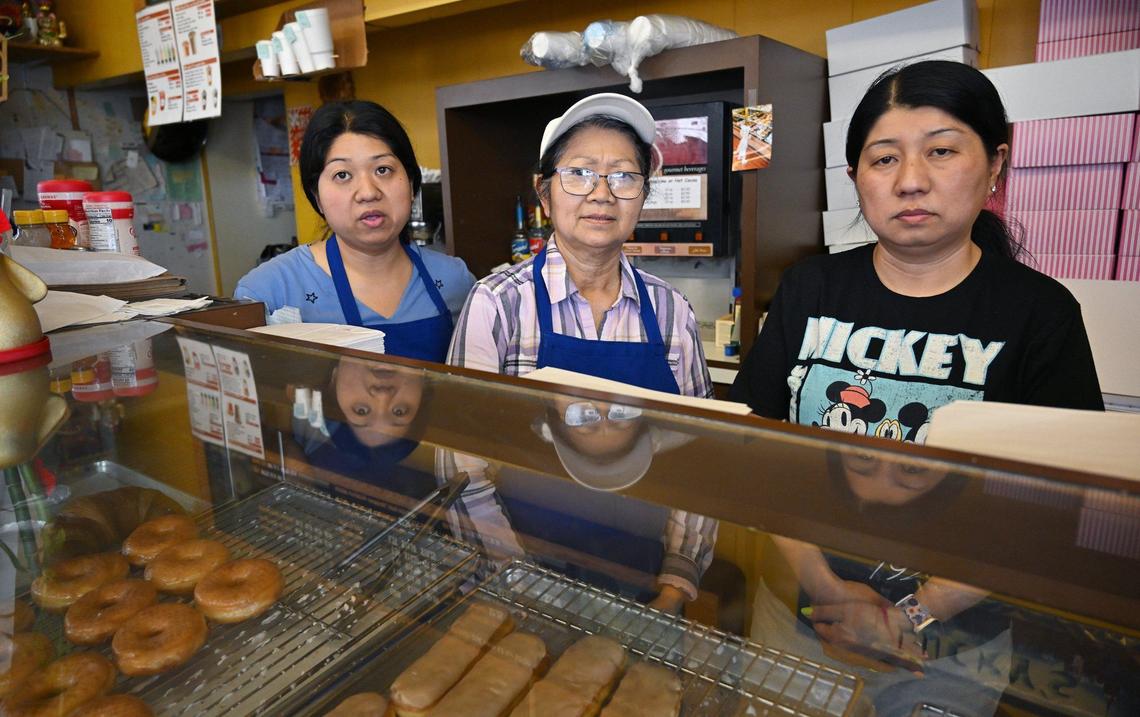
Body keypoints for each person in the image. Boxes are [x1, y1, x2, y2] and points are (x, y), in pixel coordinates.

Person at [446, 93, 716, 612]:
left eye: (623, 177)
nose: (602, 194)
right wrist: (516, 578)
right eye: (580, 173)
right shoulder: (499, 303)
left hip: (644, 581)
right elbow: (463, 461)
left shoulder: (670, 311)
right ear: (544, 193)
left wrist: (676, 582)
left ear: (642, 196)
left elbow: (696, 458)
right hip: (514, 586)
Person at [730, 60, 1103, 431]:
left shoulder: (1043, 312)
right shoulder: (809, 286)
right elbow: (742, 435)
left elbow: (1071, 478)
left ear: (994, 164)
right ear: (856, 178)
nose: (910, 181)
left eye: (941, 151)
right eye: (885, 158)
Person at [236, 100, 474, 362]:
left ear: (411, 182)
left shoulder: (456, 280)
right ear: (316, 195)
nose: (369, 192)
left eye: (383, 170)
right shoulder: (270, 291)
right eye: (343, 175)